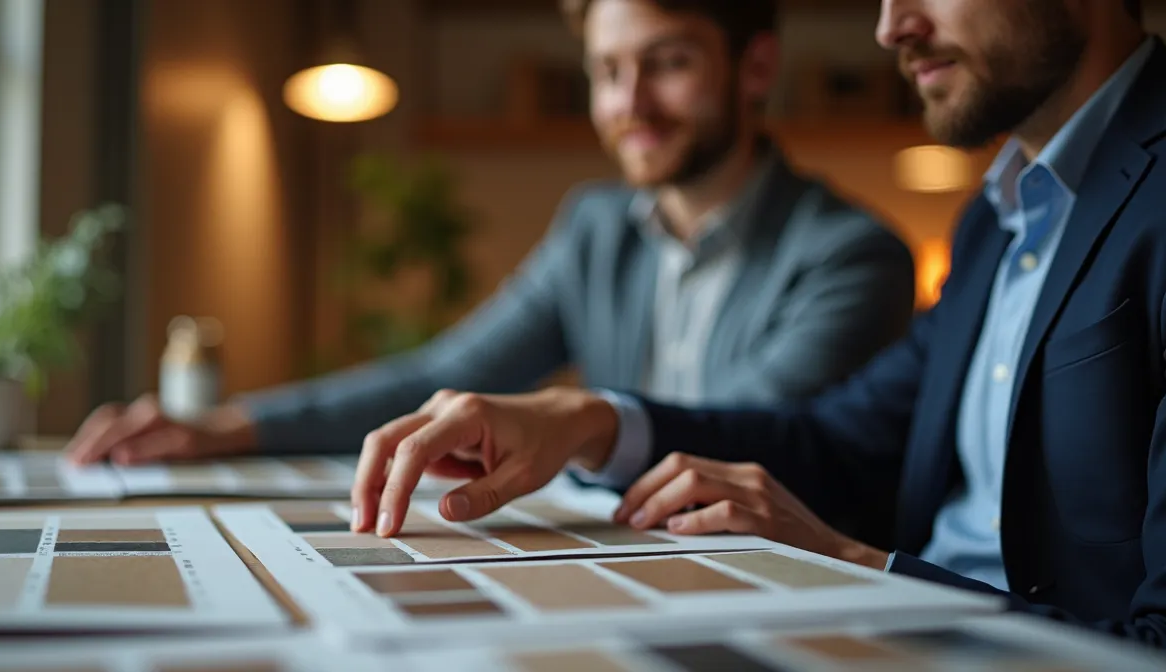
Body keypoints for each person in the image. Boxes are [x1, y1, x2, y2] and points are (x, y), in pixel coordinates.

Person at [351, 0, 1166, 646]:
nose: (891, 27)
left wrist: (856, 566)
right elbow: (840, 440)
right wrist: (595, 421)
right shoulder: (995, 220)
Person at [64, 0, 914, 467]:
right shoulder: (595, 227)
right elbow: (447, 374)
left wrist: (568, 422)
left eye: (669, 63)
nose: (629, 105)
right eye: (607, 71)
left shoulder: (852, 255)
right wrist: (233, 426)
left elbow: (751, 436)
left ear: (756, 67)